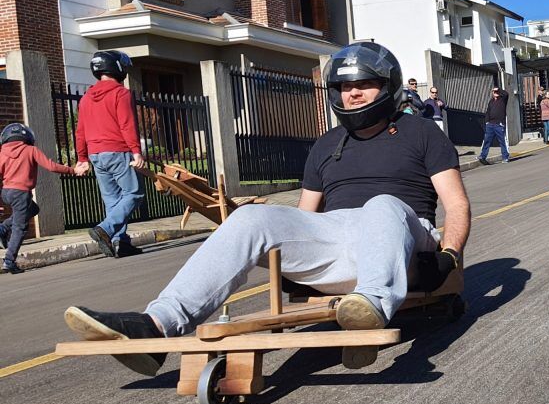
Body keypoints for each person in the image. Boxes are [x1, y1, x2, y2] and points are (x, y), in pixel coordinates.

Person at [62, 42, 471, 374]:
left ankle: (372, 306)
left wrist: (449, 256)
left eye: (364, 84)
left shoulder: (420, 132)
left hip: (403, 240)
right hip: (337, 238)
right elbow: (304, 218)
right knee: (252, 217)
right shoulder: (327, 145)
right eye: (345, 87)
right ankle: (155, 326)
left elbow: (456, 204)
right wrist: (286, 254)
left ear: (388, 86)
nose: (353, 93)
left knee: (381, 204)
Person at [73, 50, 145, 259]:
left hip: (96, 154)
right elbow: (127, 124)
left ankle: (120, 242)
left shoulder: (86, 98)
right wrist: (136, 152)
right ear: (116, 67)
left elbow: (80, 131)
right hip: (117, 150)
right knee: (134, 193)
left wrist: (82, 158)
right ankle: (105, 228)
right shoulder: (120, 93)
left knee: (113, 200)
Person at [0, 124, 79, 274]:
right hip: (20, 193)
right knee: (20, 228)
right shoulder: (31, 150)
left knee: (33, 209)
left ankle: (3, 228)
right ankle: (9, 261)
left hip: (6, 192)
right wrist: (73, 170)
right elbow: (51, 166)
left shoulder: (2, 153)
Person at [478, 87, 510, 163]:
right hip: (490, 124)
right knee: (486, 141)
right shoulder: (491, 101)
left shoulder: (503, 99)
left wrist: (498, 89)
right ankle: (483, 156)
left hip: (499, 124)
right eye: (494, 92)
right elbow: (488, 111)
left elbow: (506, 94)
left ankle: (505, 157)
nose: (495, 93)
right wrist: (487, 122)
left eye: (496, 92)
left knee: (502, 141)